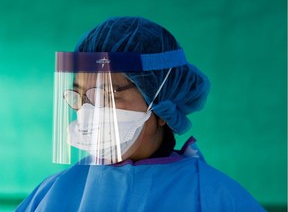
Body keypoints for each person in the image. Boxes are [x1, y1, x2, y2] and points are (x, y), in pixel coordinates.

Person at [16, 16, 266, 211]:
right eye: (80, 96)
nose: (88, 111)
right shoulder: (52, 194)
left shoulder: (216, 198)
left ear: (162, 106)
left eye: (107, 95)